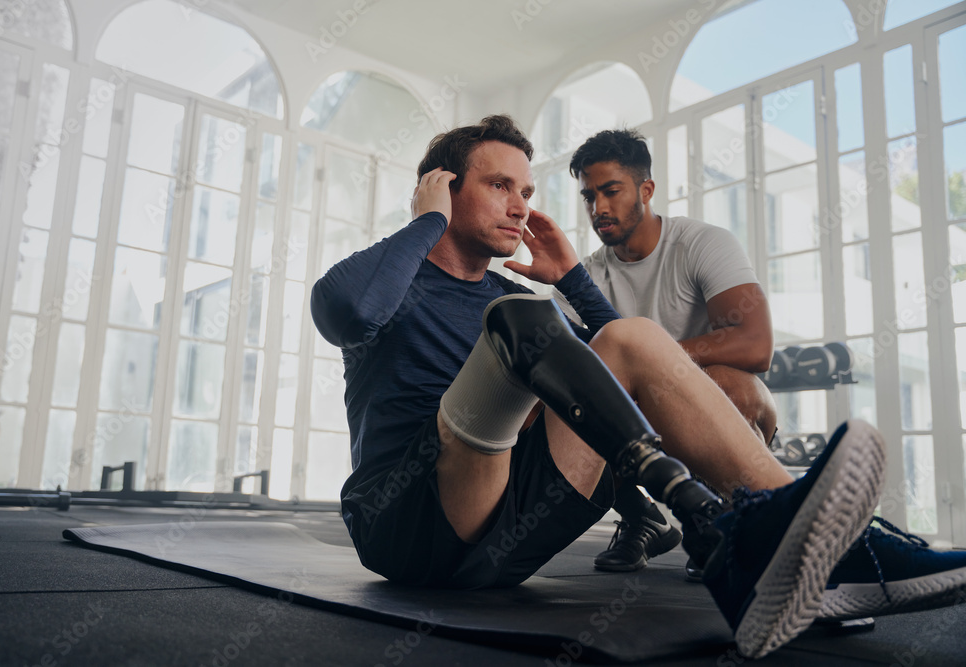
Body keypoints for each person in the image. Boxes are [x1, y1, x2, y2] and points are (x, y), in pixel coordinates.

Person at [311, 115, 965, 659]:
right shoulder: (390, 284)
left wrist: (571, 275)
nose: (520, 206)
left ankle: (788, 538)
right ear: (445, 187)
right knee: (518, 325)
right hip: (410, 522)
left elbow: (628, 357)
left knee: (618, 336)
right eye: (500, 185)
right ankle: (716, 522)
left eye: (528, 191)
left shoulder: (518, 292)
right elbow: (349, 313)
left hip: (507, 532)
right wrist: (425, 220)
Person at [555, 128, 777, 576]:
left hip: (722, 407)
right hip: (636, 426)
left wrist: (650, 359)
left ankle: (736, 522)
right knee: (572, 407)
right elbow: (565, 376)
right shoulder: (586, 277)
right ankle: (644, 518)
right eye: (589, 196)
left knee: (729, 382)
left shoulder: (701, 244)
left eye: (611, 191)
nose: (599, 208)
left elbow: (756, 344)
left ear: (646, 189)